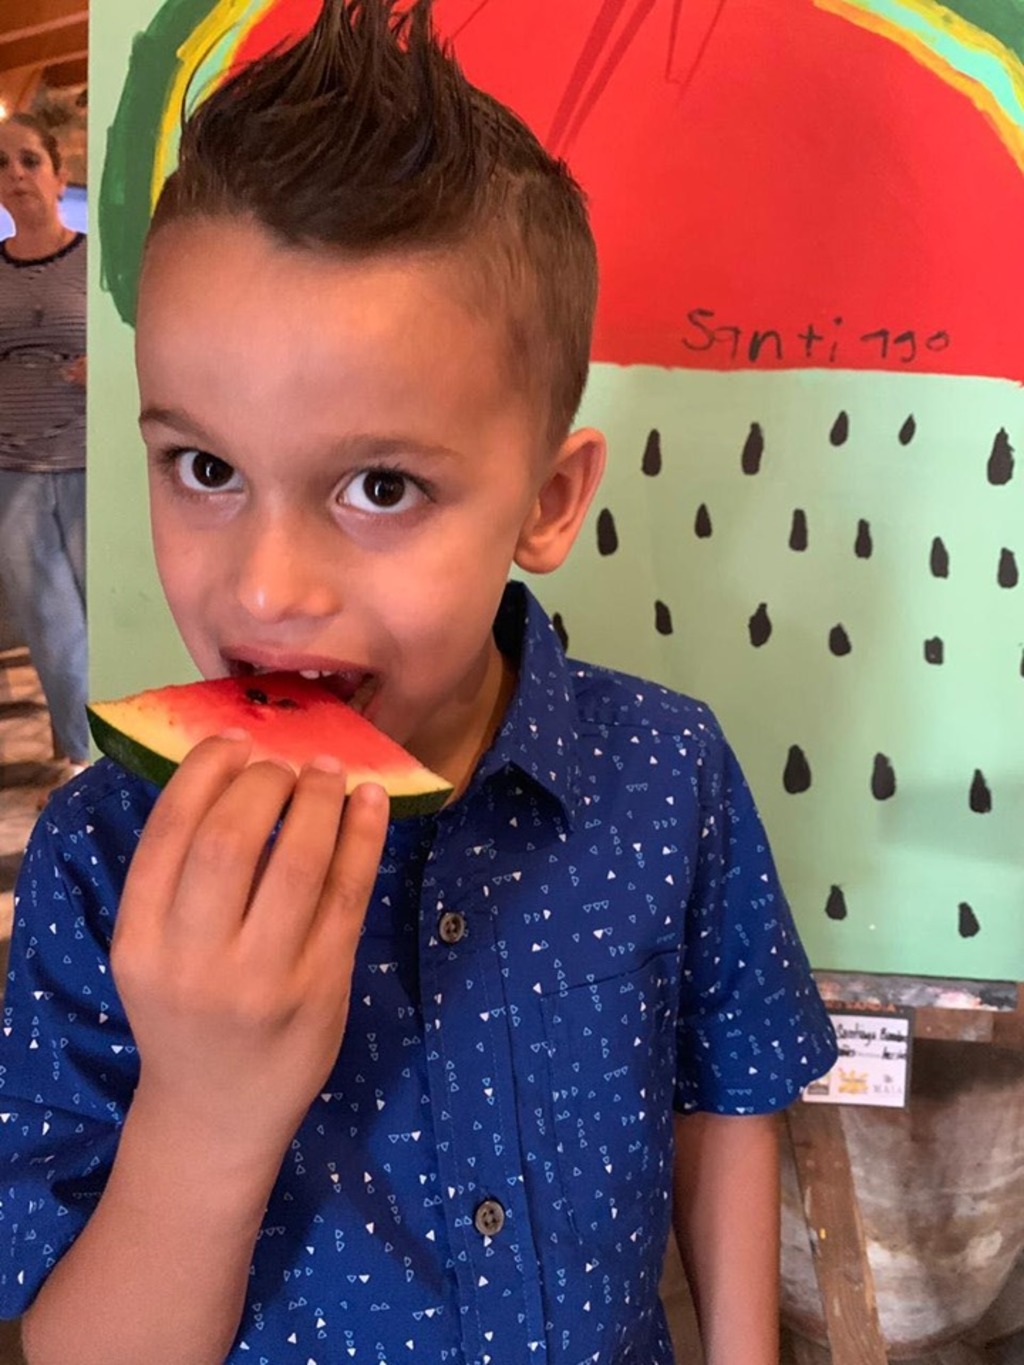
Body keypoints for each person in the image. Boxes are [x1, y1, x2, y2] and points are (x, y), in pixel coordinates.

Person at [0, 4, 837, 1362]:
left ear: (548, 500)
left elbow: (724, 1099)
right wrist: (204, 1115)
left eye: (380, 486)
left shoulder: (666, 771)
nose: (267, 588)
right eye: (204, 468)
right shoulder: (100, 858)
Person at [0, 112, 88, 774]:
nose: (16, 174)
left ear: (60, 177)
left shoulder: (98, 260)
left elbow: (147, 343)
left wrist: (109, 368)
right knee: (52, 631)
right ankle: (88, 764)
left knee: (109, 617)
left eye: (30, 160)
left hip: (94, 466)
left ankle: (133, 754)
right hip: (14, 473)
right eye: (1, 166)